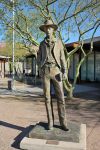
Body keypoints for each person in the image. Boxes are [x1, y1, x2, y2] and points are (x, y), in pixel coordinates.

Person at [37, 19, 68, 130]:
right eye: (46, 28)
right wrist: (40, 70)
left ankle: (63, 122)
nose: (48, 30)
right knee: (47, 98)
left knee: (61, 98)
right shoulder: (41, 44)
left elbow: (62, 58)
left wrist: (64, 71)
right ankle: (50, 121)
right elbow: (39, 58)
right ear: (44, 30)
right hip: (45, 71)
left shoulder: (59, 43)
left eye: (50, 28)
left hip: (56, 72)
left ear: (53, 30)